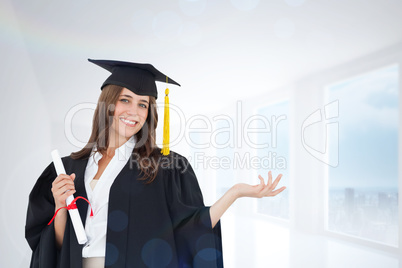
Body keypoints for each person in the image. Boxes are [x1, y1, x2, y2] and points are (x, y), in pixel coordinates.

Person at [25, 59, 286, 268]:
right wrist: (60, 206)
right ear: (108, 104)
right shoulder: (68, 167)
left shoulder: (165, 167)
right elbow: (53, 247)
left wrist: (235, 193)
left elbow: (191, 229)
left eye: (143, 104)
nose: (134, 112)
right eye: (125, 100)